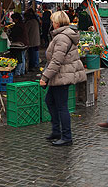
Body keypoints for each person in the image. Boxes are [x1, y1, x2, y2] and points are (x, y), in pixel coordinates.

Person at [40, 11, 86, 146]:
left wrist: (45, 77)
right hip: (59, 75)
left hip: (61, 75)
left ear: (58, 23)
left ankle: (66, 136)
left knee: (62, 106)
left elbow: (56, 61)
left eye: (53, 21)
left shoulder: (62, 38)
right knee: (50, 101)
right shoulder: (62, 35)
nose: (51, 23)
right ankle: (56, 131)